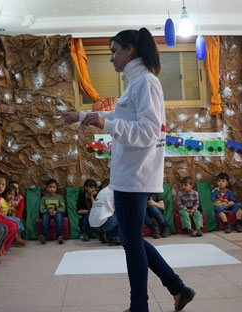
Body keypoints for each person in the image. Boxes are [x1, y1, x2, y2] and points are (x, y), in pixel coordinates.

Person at [60, 28, 195, 312]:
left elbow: (148, 131)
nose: (110, 58)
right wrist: (84, 116)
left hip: (134, 175)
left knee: (131, 243)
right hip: (129, 173)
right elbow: (119, 115)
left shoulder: (145, 82)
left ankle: (140, 306)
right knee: (131, 239)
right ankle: (178, 288)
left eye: (113, 50)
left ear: (130, 49)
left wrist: (105, 126)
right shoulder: (136, 83)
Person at [88, 179, 121, 246]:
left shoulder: (101, 192)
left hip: (93, 224)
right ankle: (113, 237)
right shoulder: (114, 191)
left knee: (106, 214)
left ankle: (101, 235)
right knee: (121, 215)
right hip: (103, 224)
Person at [39, 178, 66, 244]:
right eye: (50, 187)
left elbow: (63, 208)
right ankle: (44, 237)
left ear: (56, 188)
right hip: (47, 212)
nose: (52, 189)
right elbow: (41, 209)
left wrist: (56, 210)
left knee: (59, 217)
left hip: (57, 212)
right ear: (47, 188)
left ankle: (60, 236)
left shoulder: (59, 197)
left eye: (54, 187)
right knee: (44, 218)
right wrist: (48, 211)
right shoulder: (44, 198)